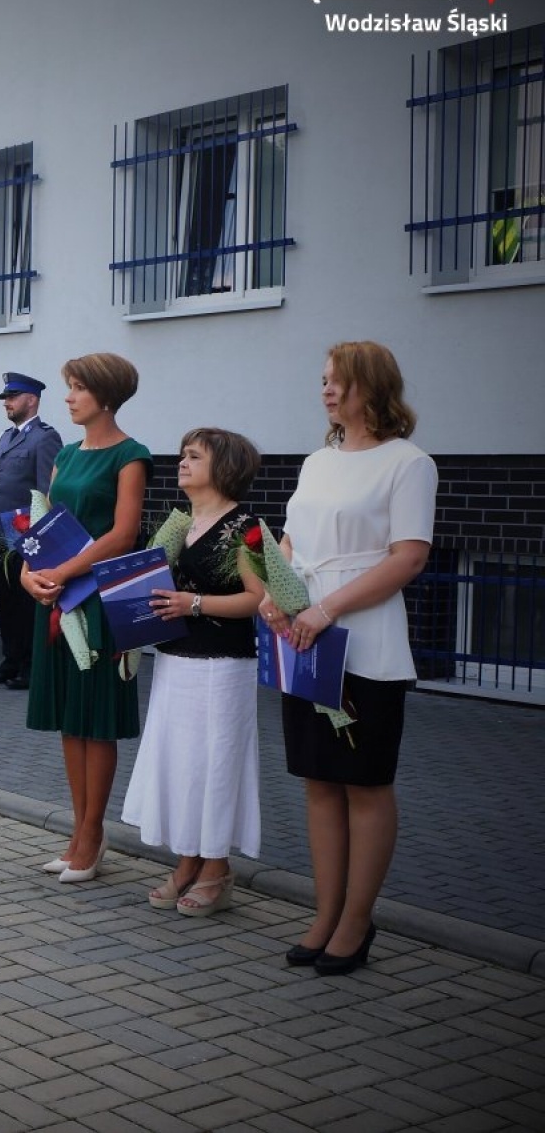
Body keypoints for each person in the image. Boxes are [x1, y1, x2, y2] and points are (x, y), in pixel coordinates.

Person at [262, 341, 436, 976]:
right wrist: (275, 598)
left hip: (364, 643)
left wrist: (325, 610)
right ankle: (324, 911)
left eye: (339, 382)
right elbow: (290, 539)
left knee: (364, 785)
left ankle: (358, 921)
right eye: (324, 380)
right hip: (306, 640)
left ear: (374, 388)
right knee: (318, 782)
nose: (327, 391)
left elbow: (408, 557)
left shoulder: (408, 463)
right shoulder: (317, 461)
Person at [121, 428, 265, 917]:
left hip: (222, 667)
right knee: (182, 764)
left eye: (194, 455)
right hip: (176, 661)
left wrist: (195, 603)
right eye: (182, 454)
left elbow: (258, 599)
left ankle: (217, 870)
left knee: (215, 765)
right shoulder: (179, 522)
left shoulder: (245, 526)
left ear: (223, 468)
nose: (182, 461)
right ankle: (186, 861)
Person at [23, 352, 151, 883]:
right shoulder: (67, 455)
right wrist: (32, 575)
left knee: (95, 722)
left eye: (77, 388)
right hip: (57, 596)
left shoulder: (131, 455)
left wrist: (63, 570)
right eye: (68, 388)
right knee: (69, 721)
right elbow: (46, 524)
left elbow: (124, 534)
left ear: (105, 394)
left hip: (98, 599)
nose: (69, 397)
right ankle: (77, 832)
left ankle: (94, 837)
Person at [0, 373, 62, 689]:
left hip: (26, 537)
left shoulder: (44, 438)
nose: (7, 403)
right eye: (5, 398)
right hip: (0, 533)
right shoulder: (6, 437)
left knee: (26, 605)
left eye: (13, 397)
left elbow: (46, 491)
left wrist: (39, 538)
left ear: (32, 399)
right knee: (6, 602)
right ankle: (10, 659)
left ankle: (30, 665)